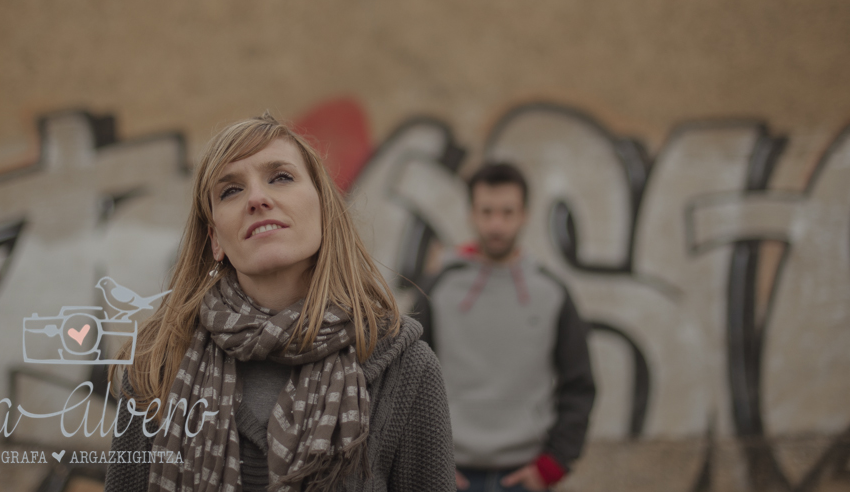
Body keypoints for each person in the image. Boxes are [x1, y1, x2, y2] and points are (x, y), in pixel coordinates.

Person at [105, 112, 455, 492]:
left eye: (281, 177)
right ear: (215, 240)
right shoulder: (158, 366)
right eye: (230, 191)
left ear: (323, 207)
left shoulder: (405, 371)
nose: (257, 198)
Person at [415, 162, 595, 492]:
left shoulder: (551, 292)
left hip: (524, 476)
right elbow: (405, 380)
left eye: (507, 212)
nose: (496, 225)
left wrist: (551, 466)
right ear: (471, 213)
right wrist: (426, 460)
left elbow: (579, 386)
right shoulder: (437, 289)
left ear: (524, 214)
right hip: (448, 473)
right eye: (487, 212)